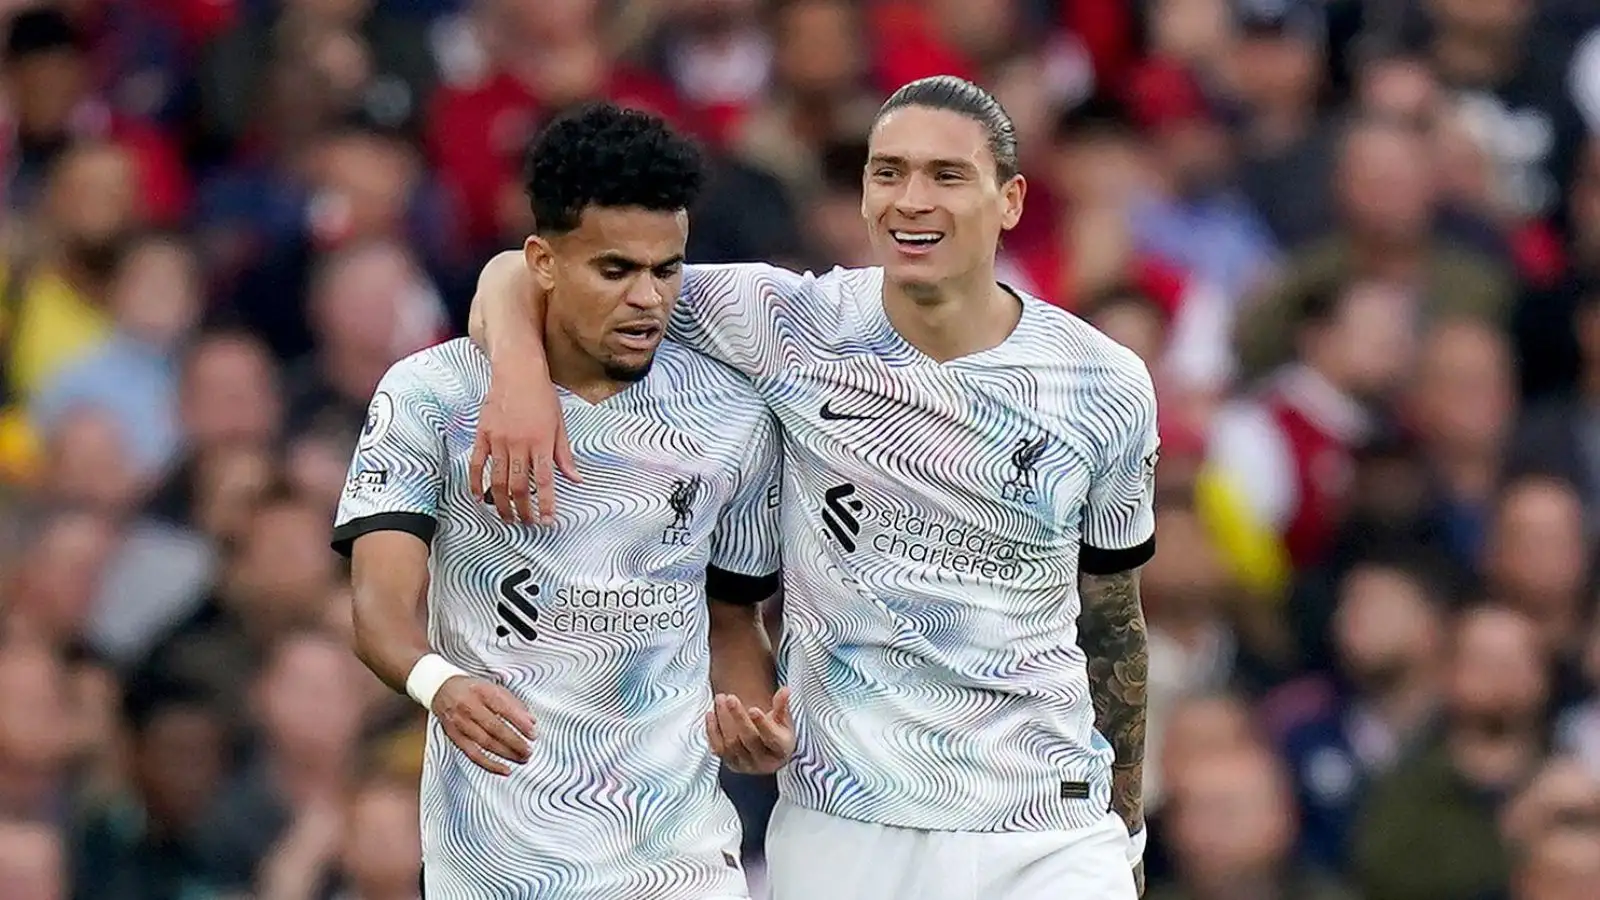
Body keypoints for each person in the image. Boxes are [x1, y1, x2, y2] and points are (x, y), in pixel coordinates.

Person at [469, 77, 1157, 900]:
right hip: (848, 819)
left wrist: (1125, 827)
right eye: (888, 173)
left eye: (946, 175)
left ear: (1009, 200)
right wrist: (517, 376)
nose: (911, 200)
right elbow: (528, 268)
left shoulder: (1103, 384)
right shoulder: (790, 323)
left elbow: (1112, 620)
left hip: (1046, 827)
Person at [333, 104, 789, 900]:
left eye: (666, 269)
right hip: (496, 864)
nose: (649, 298)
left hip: (677, 860)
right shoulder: (431, 396)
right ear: (542, 260)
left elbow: (731, 619)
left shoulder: (732, 415)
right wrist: (437, 682)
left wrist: (752, 717)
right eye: (615, 270)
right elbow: (377, 611)